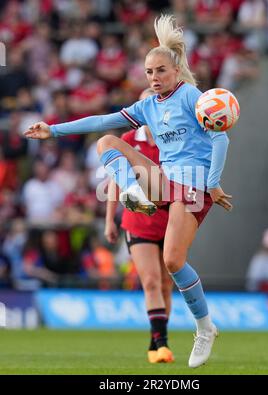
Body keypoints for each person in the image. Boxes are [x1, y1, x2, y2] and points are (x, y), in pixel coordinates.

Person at [24, 15, 232, 368]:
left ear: (176, 71)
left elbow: (221, 137)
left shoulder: (191, 97)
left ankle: (205, 327)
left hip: (195, 184)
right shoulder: (148, 105)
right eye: (149, 72)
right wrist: (54, 130)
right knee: (108, 141)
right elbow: (101, 121)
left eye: (161, 71)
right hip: (166, 181)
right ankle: (133, 193)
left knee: (172, 261)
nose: (154, 78)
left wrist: (212, 182)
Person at [105, 87, 174, 364]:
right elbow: (114, 180)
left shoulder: (174, 140)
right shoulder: (128, 140)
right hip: (139, 222)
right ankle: (161, 344)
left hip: (170, 222)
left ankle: (155, 339)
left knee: (167, 285)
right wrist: (110, 218)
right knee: (151, 281)